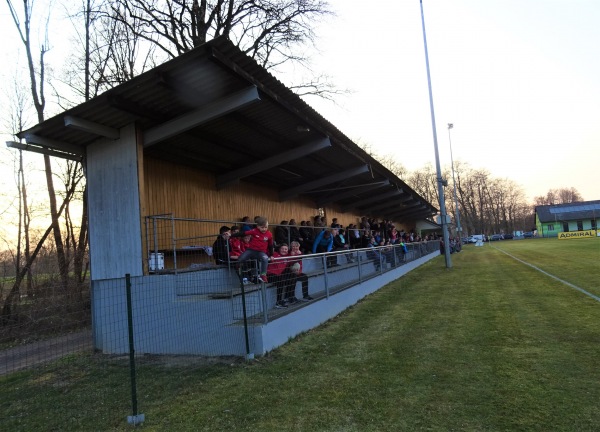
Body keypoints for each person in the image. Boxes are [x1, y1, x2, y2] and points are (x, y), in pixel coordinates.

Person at [234, 216, 274, 283]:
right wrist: (231, 235)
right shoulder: (254, 231)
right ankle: (238, 265)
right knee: (241, 258)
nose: (264, 229)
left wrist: (271, 255)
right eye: (262, 227)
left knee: (265, 258)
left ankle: (263, 275)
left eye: (266, 227)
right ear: (258, 226)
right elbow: (243, 233)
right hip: (251, 250)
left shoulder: (269, 234)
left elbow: (271, 245)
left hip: (261, 252)